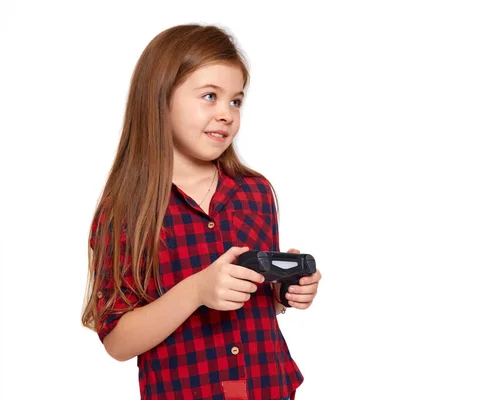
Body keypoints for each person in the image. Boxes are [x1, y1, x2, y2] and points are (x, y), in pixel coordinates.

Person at [80, 23, 322, 400]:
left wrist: (282, 291)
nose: (226, 113)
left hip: (270, 390)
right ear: (160, 99)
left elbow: (257, 306)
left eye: (236, 100)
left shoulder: (255, 193)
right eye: (210, 96)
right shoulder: (126, 211)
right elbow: (117, 341)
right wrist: (195, 291)